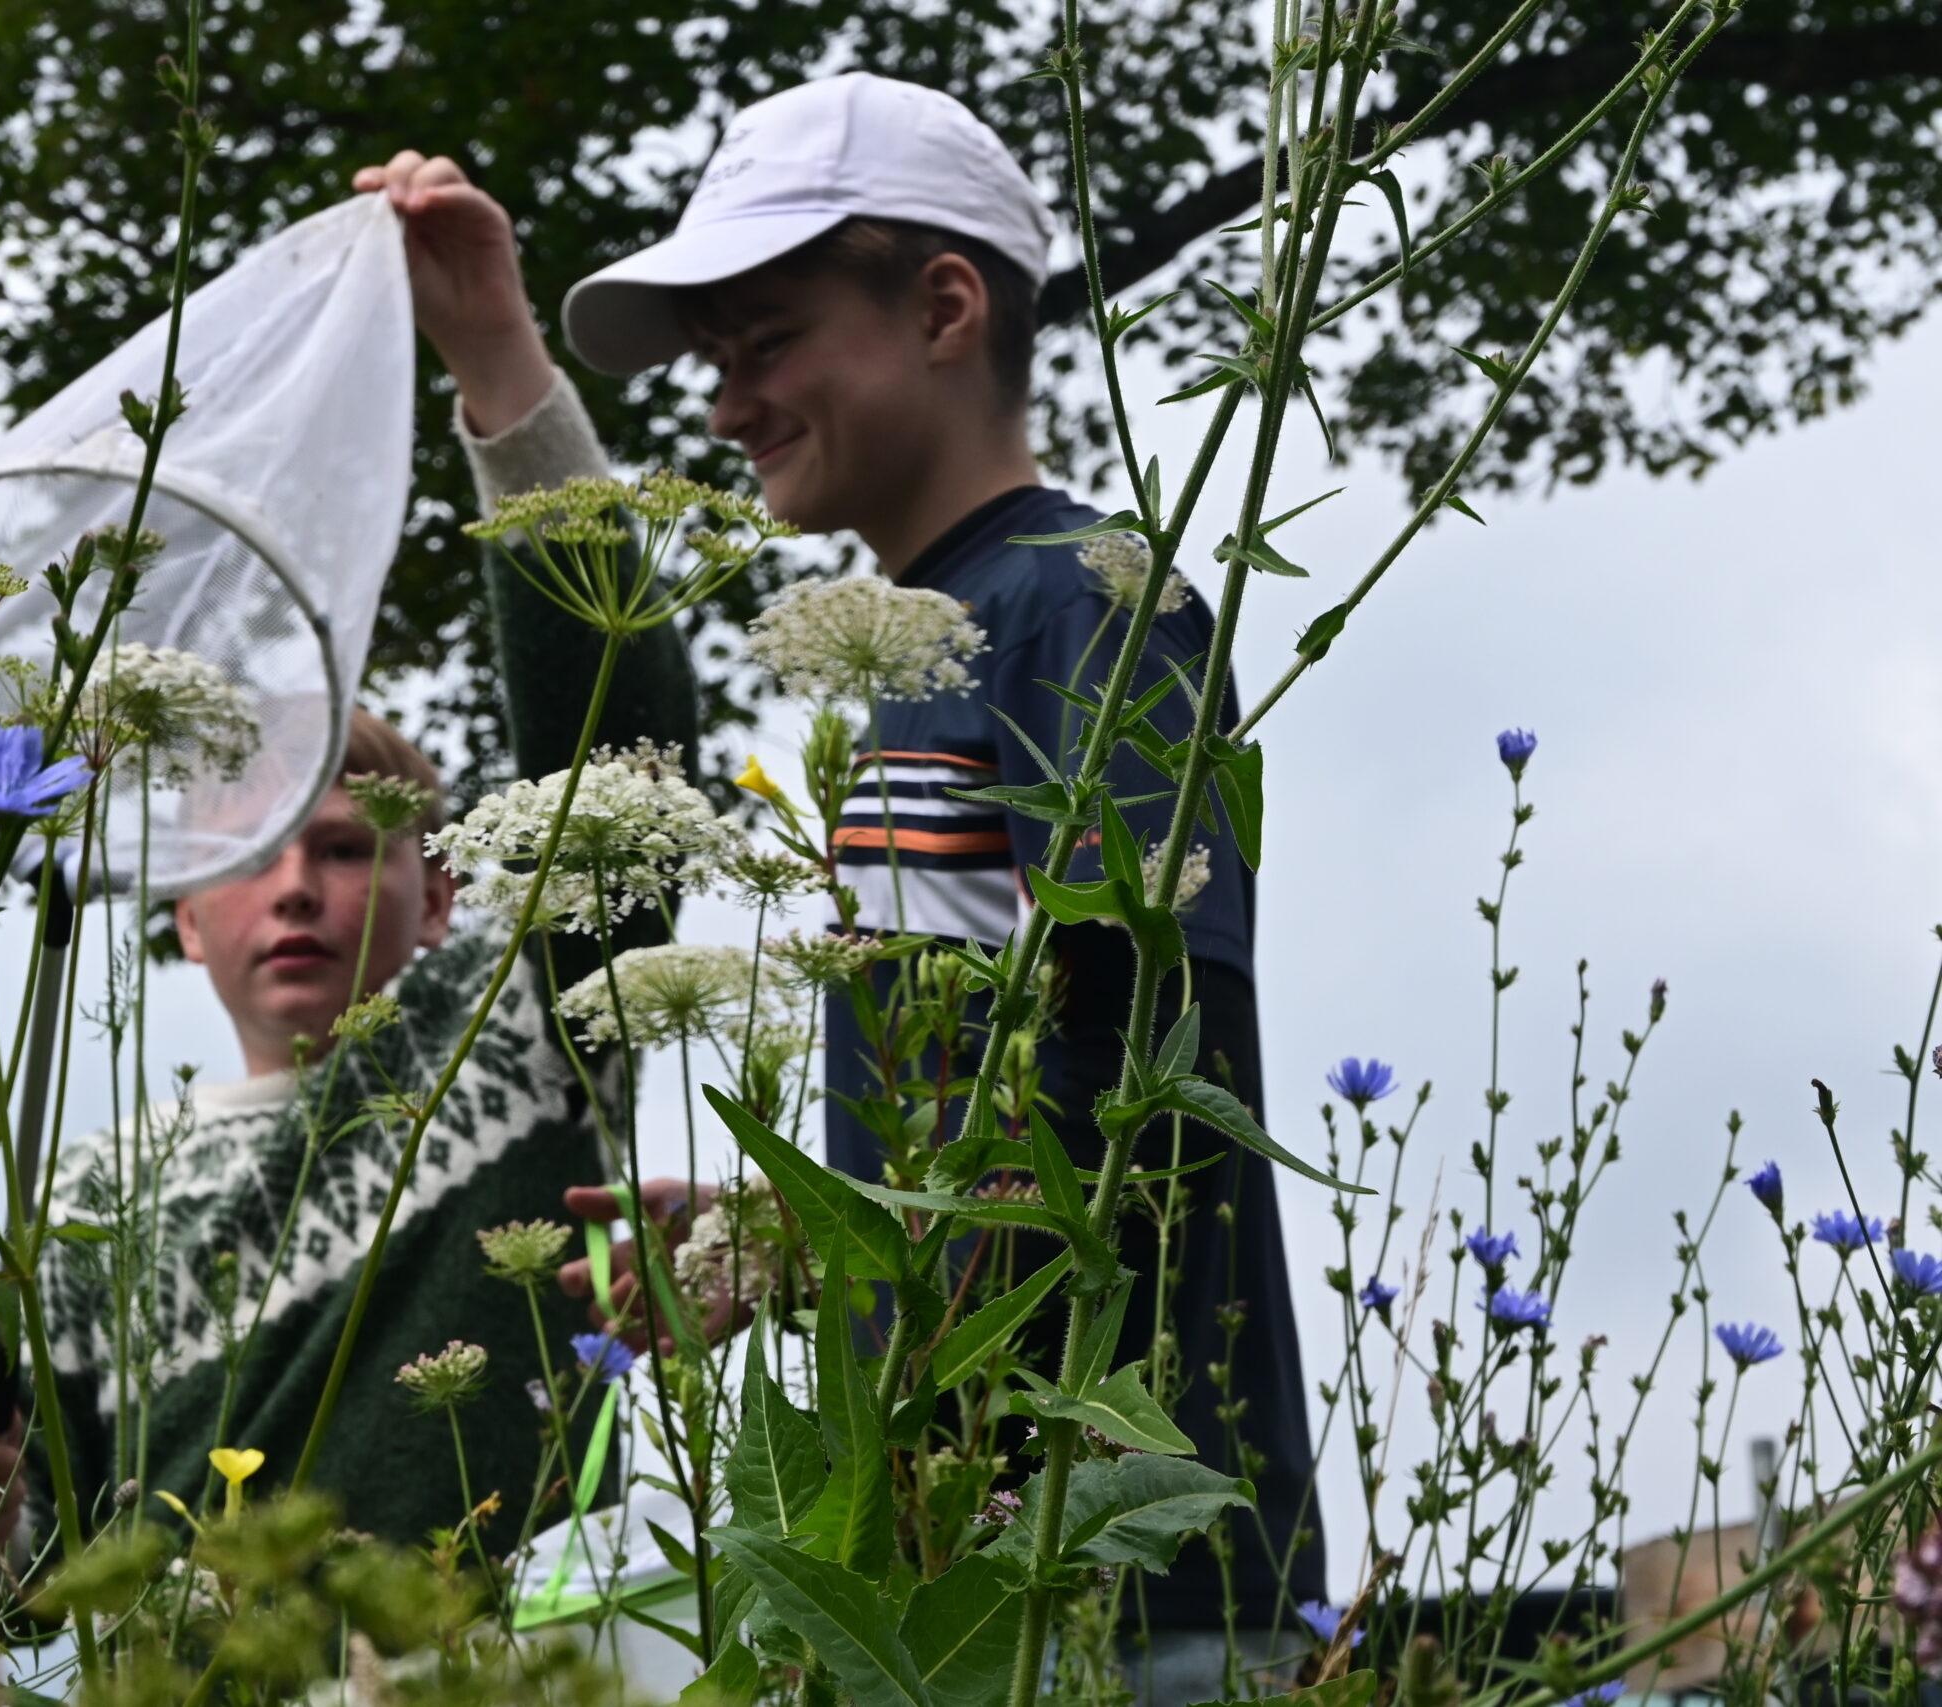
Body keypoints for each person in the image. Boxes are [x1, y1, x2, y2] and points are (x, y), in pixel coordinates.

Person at [355, 69, 1326, 1700]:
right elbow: (984, 1134)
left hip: (1126, 1574)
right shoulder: (927, 644)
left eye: (766, 343)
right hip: (960, 1566)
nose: (727, 406)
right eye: (717, 365)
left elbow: (1134, 1062)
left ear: (945, 306)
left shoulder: (1087, 597)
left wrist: (860, 1243)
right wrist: (790, 1238)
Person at [0, 325, 701, 1563]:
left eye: (347, 847)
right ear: (181, 907)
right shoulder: (82, 1194)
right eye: (248, 853)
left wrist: (496, 355)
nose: (294, 888)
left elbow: (621, 758)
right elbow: (38, 1563)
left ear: (440, 901)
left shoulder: (515, 1032)